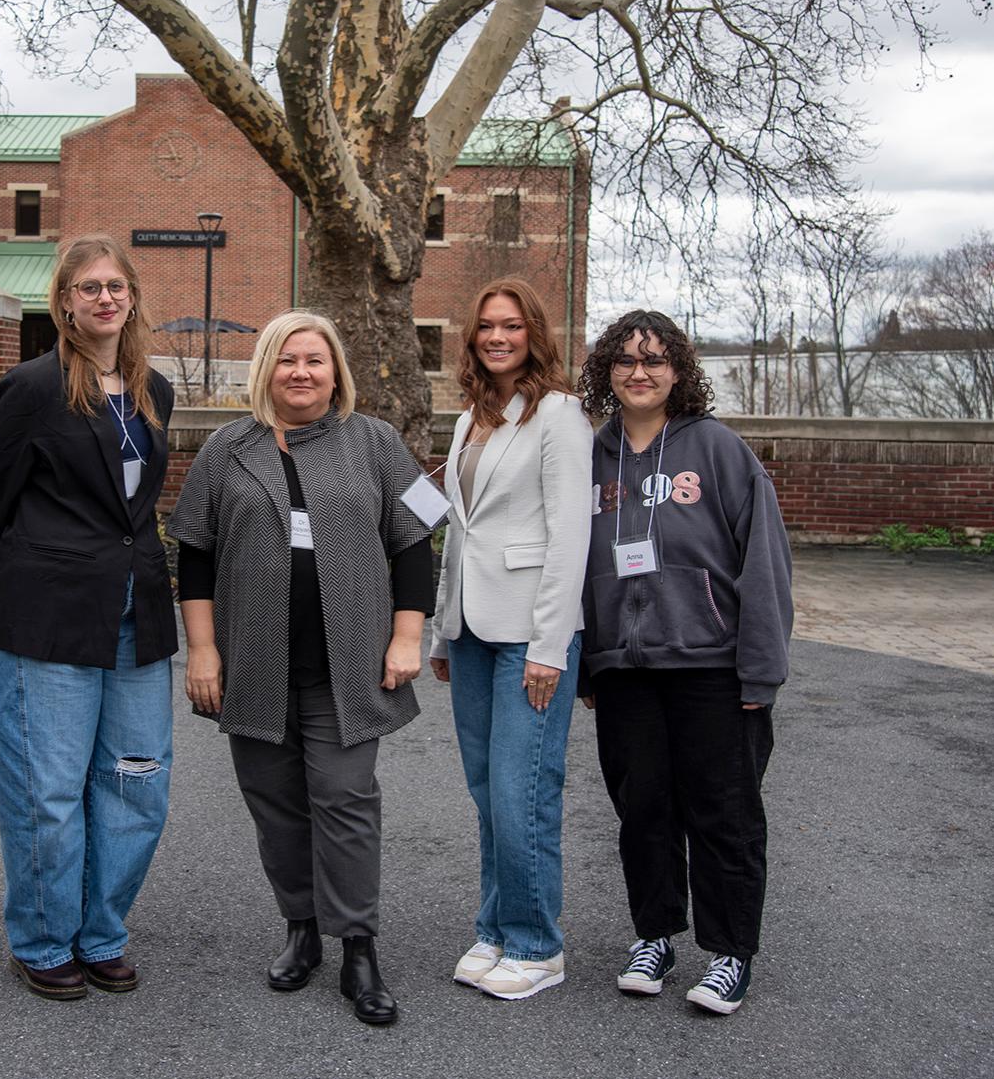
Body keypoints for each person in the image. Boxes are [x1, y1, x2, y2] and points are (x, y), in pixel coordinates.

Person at [167, 310, 436, 1026]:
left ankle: (358, 946)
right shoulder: (227, 449)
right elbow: (192, 554)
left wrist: (407, 636)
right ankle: (301, 929)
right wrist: (202, 649)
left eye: (315, 360)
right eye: (287, 361)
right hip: (254, 663)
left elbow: (417, 541)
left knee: (346, 802)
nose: (301, 373)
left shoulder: (376, 442)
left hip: (346, 667)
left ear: (335, 369)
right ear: (265, 370)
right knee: (276, 806)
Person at [0, 233, 175, 1002]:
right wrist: (36, 568)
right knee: (47, 789)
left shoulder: (156, 391)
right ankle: (44, 938)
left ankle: (101, 931)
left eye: (116, 286)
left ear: (133, 298)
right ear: (64, 302)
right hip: (47, 615)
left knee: (135, 782)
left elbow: (137, 509)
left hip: (135, 615)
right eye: (89, 287)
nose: (105, 298)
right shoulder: (32, 388)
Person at [577, 309, 793, 1015]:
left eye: (655, 359)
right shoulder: (591, 458)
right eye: (626, 360)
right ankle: (656, 936)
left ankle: (731, 953)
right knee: (643, 810)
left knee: (723, 814)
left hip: (712, 666)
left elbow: (763, 561)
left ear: (678, 371)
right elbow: (570, 567)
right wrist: (587, 661)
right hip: (626, 670)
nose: (640, 372)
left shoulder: (719, 451)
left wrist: (760, 669)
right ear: (607, 370)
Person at [427, 278, 592, 1001]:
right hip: (469, 628)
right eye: (487, 325)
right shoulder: (471, 418)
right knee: (488, 791)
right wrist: (440, 627)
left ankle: (537, 945)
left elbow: (570, 538)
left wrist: (550, 645)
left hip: (530, 634)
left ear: (534, 334)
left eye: (512, 325)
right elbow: (457, 532)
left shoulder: (559, 415)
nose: (498, 336)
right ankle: (495, 930)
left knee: (524, 792)